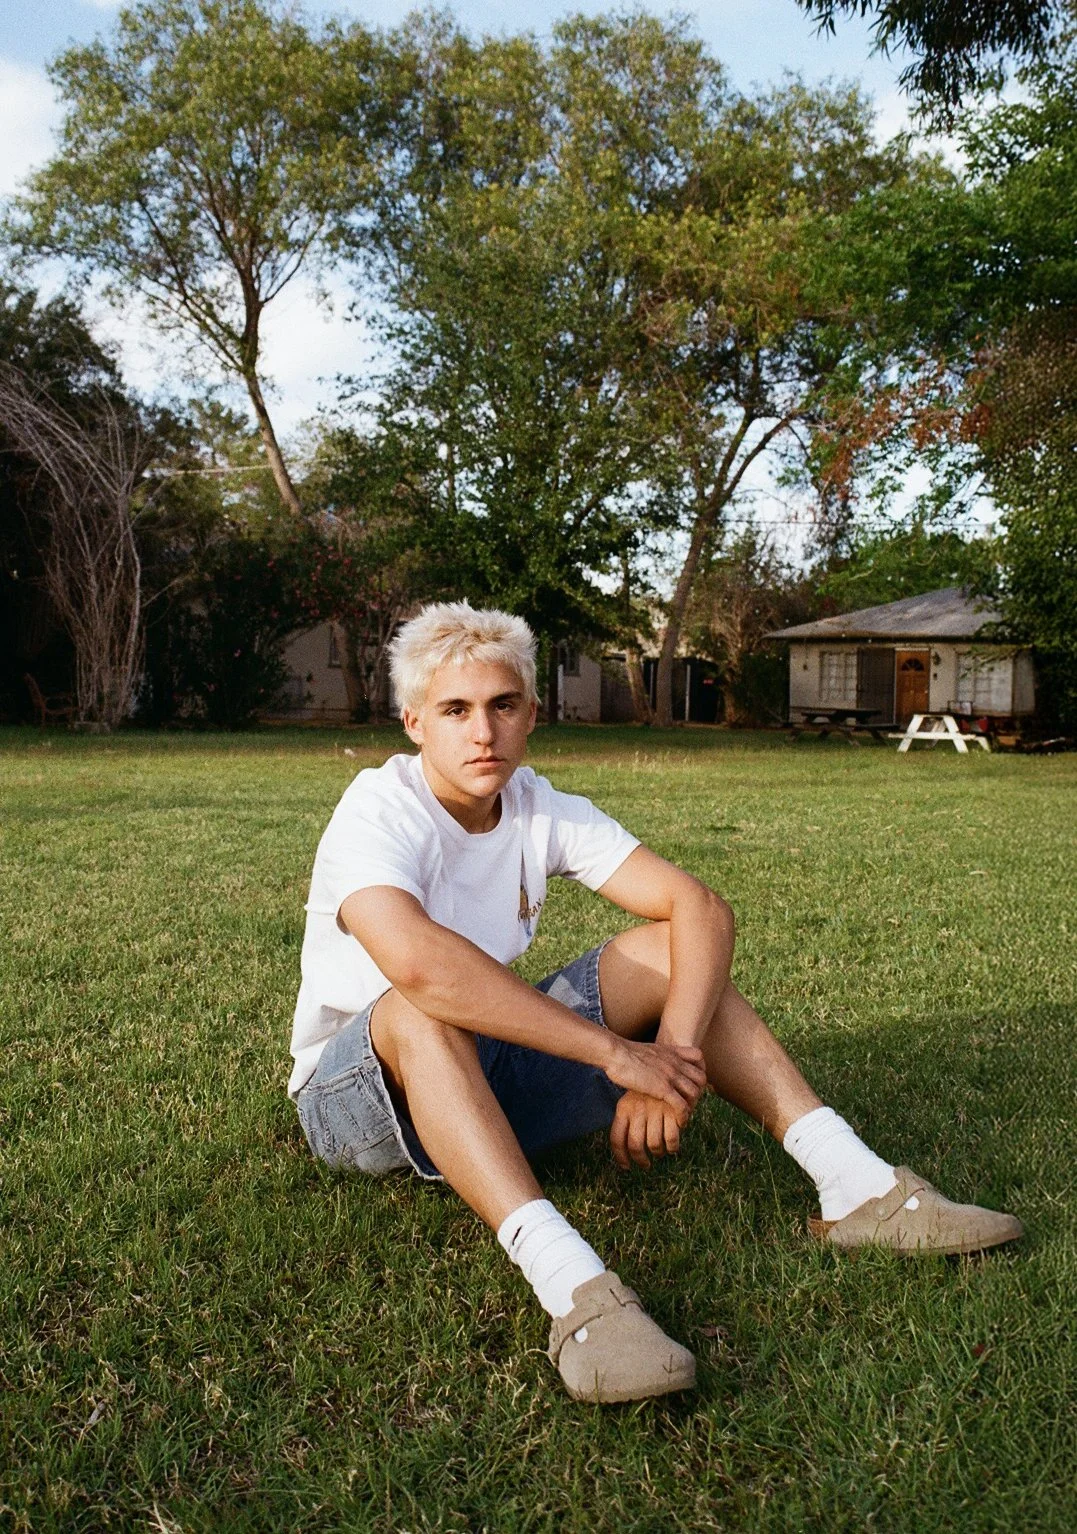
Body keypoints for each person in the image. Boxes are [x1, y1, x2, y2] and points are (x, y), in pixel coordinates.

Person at [289, 602, 1022, 1404]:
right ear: (413, 722)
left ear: (532, 713)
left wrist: (665, 1059)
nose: (482, 732)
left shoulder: (537, 805)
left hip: (478, 1072)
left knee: (675, 950)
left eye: (502, 706)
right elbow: (419, 967)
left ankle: (853, 1185)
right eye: (455, 710)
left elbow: (699, 909)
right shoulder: (379, 808)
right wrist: (614, 1054)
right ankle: (574, 1290)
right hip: (358, 1100)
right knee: (418, 1004)